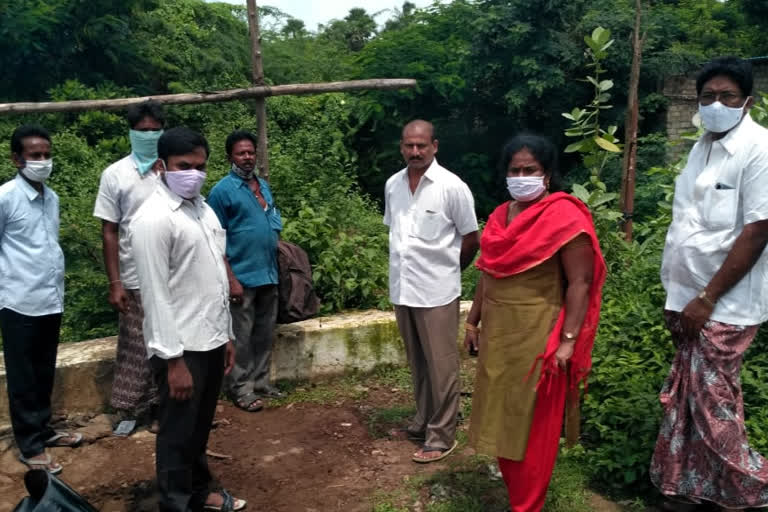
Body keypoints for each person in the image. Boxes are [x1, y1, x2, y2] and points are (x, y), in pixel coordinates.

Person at [465, 134, 606, 512]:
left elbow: (581, 282)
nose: (521, 175)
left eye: (530, 169)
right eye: (515, 170)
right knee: (500, 415)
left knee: (533, 425)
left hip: (540, 334)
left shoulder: (565, 217)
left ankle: (528, 505)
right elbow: (487, 271)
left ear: (547, 174)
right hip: (499, 335)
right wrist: (473, 322)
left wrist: (568, 341)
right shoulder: (499, 216)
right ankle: (517, 498)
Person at [651, 56, 768, 512]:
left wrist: (707, 297)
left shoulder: (757, 148)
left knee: (714, 407)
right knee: (690, 400)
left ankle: (753, 488)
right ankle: (688, 486)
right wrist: (683, 296)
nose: (716, 104)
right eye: (707, 97)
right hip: (687, 296)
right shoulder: (701, 147)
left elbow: (758, 230)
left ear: (748, 101)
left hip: (724, 304)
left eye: (727, 97)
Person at [130, 127, 246, 512]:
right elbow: (155, 294)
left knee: (198, 427)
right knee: (178, 431)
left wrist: (226, 335)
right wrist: (173, 361)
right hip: (180, 345)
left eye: (200, 166)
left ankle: (199, 490)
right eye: (184, 166)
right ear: (162, 166)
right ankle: (176, 502)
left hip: (210, 337)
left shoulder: (203, 208)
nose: (193, 174)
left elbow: (213, 276)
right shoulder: (153, 219)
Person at [383, 119, 480, 463]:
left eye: (421, 145)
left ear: (434, 146)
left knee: (442, 366)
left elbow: (471, 238)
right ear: (401, 147)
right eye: (408, 145)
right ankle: (423, 421)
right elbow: (394, 234)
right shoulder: (393, 185)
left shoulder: (452, 187)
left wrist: (450, 269)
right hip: (403, 289)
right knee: (418, 362)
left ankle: (442, 435)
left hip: (437, 291)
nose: (414, 151)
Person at [1, 125, 82, 474]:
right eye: (35, 156)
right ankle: (29, 445)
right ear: (17, 159)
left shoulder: (52, 197)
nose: (43, 161)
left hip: (50, 298)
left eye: (47, 155)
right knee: (22, 376)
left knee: (43, 370)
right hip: (18, 299)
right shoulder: (5, 197)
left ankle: (44, 430)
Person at [93, 100, 165, 433]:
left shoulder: (172, 170)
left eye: (155, 130)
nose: (150, 136)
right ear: (132, 133)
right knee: (137, 346)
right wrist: (115, 282)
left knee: (168, 341)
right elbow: (109, 231)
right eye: (143, 131)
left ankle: (166, 406)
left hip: (171, 274)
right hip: (135, 275)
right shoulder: (116, 175)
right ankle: (138, 408)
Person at [208, 130, 282, 412]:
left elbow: (273, 218)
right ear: (230, 156)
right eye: (241, 153)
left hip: (268, 273)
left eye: (251, 152)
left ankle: (261, 382)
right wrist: (230, 279)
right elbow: (215, 238)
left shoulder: (263, 186)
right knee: (241, 334)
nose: (248, 157)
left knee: (264, 332)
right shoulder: (221, 191)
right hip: (241, 275)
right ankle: (241, 388)